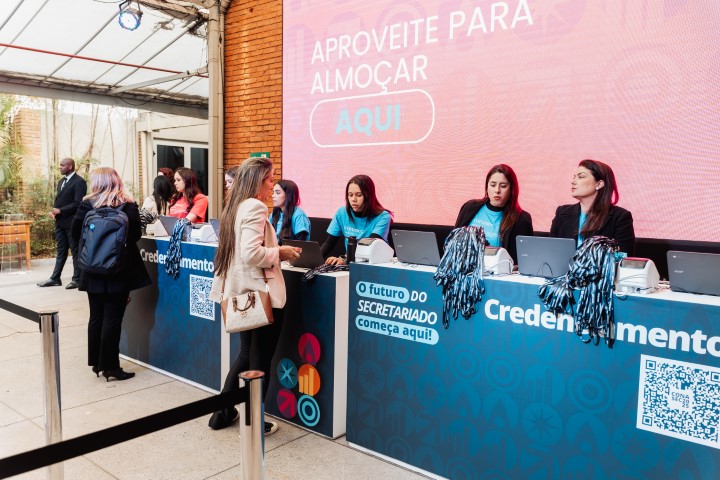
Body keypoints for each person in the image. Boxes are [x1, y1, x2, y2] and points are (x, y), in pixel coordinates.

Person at [207, 157, 301, 433]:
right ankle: (254, 423)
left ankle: (222, 412)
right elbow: (251, 253)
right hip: (260, 296)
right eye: (269, 180)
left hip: (243, 295)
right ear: (257, 182)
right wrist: (280, 252)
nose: (272, 185)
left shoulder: (235, 207)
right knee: (259, 362)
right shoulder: (255, 207)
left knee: (247, 356)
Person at [71, 167, 151, 381]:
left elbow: (76, 234)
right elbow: (135, 236)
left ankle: (97, 363)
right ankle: (111, 367)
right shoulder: (128, 205)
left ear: (96, 182)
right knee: (113, 318)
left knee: (96, 316)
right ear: (117, 181)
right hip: (119, 269)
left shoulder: (87, 204)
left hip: (92, 269)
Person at [550, 159, 635, 254]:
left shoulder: (620, 217)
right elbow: (551, 251)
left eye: (581, 177)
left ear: (599, 184)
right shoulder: (562, 212)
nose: (573, 182)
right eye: (574, 177)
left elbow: (622, 256)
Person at [454, 164, 533, 263]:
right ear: (487, 187)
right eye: (492, 185)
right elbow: (453, 241)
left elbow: (522, 261)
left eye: (503, 186)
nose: (497, 190)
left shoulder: (521, 219)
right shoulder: (469, 207)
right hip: (463, 267)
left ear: (512, 190)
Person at [38, 158, 87, 289]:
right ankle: (55, 278)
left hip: (72, 223)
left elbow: (79, 204)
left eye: (62, 165)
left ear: (70, 167)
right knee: (61, 251)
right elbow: (60, 200)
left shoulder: (79, 182)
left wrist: (61, 210)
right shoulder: (61, 181)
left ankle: (77, 280)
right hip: (60, 222)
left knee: (75, 251)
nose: (60, 167)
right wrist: (54, 212)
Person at [322, 174, 392, 265]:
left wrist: (344, 259)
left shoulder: (383, 216)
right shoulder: (342, 213)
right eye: (350, 195)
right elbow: (329, 243)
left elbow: (367, 249)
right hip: (351, 262)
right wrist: (313, 260)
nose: (353, 199)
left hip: (375, 264)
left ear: (368, 196)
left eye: (358, 195)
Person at [270, 179, 311, 244]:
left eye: (278, 193)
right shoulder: (274, 214)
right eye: (273, 193)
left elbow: (300, 245)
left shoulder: (299, 215)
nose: (273, 196)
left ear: (288, 195)